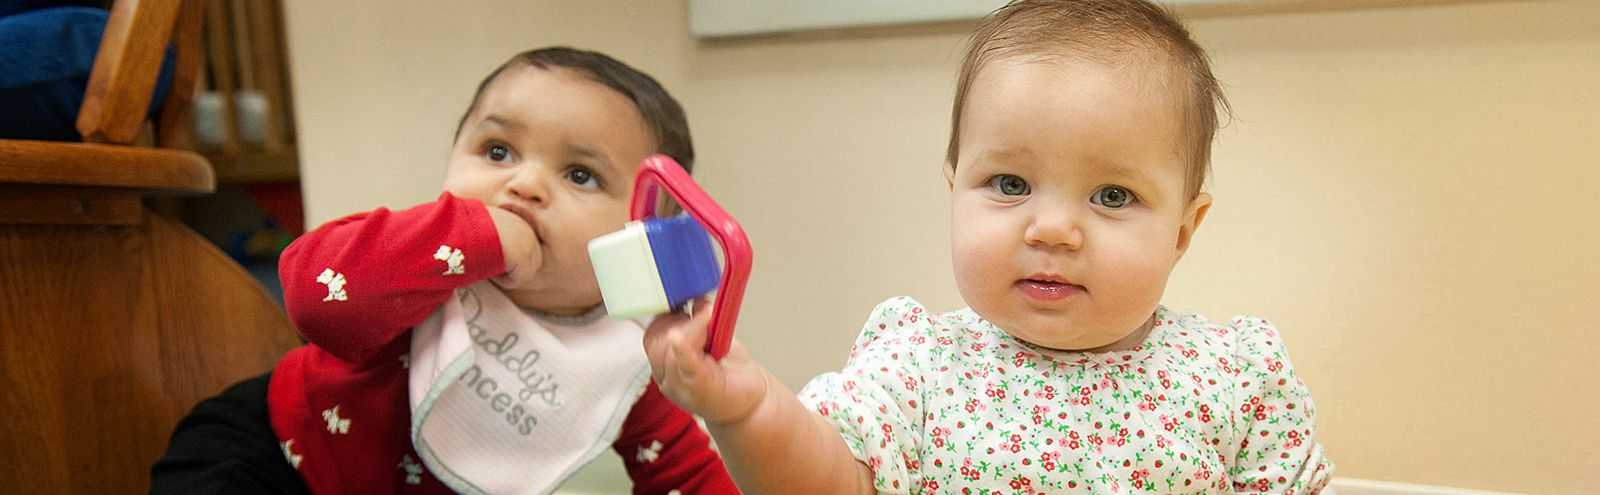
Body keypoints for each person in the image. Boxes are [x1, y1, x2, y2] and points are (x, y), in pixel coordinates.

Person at [642, 1, 1332, 493]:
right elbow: (827, 478)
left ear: (1183, 230)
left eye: (1112, 196)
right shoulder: (917, 365)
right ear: (955, 190)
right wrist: (747, 407)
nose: (1053, 229)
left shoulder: (1237, 378)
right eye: (1009, 182)